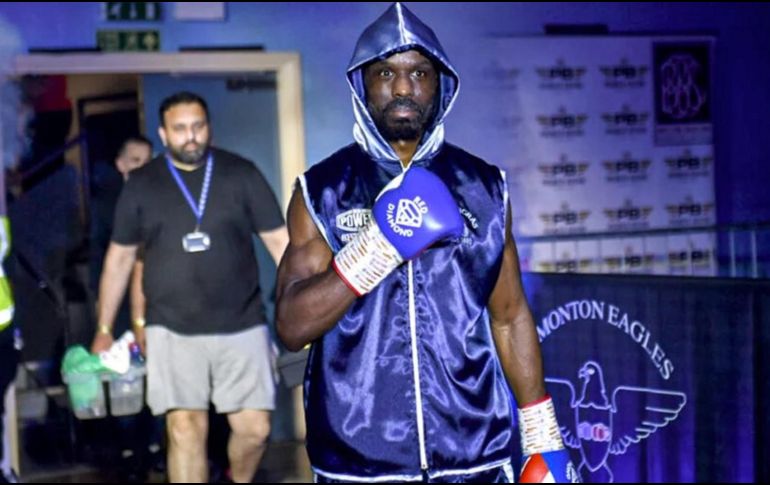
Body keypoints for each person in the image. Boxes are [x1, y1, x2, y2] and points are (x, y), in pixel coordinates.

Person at [275, 3, 577, 483]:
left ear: (440, 85)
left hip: (476, 452)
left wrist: (544, 438)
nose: (401, 87)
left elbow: (510, 314)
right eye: (385, 73)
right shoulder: (322, 191)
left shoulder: (484, 188)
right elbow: (291, 326)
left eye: (418, 72)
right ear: (362, 85)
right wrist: (377, 247)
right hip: (360, 460)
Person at [91, 91, 288, 483]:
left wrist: (309, 308)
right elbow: (120, 259)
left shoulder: (241, 173)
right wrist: (104, 328)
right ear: (163, 134)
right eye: (180, 129)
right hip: (172, 327)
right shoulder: (143, 184)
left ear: (208, 127)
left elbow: (282, 244)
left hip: (243, 323)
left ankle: (237, 479)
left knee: (255, 431)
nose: (191, 136)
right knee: (184, 429)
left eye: (198, 126)